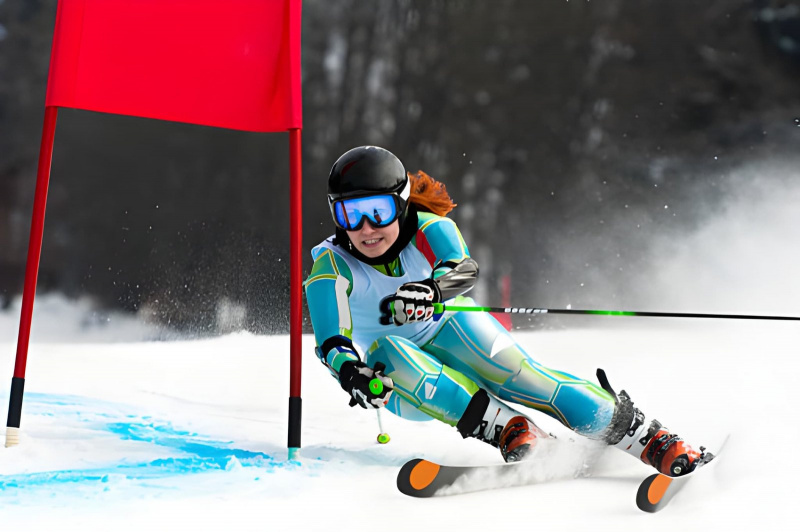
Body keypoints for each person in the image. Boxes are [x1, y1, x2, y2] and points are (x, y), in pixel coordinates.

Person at [304, 145, 706, 475]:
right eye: (349, 214)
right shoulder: (332, 265)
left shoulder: (426, 227)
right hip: (401, 380)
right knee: (389, 350)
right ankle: (511, 430)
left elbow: (462, 268)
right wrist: (351, 373)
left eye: (378, 211)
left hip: (451, 326)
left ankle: (648, 438)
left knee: (524, 378)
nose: (366, 228)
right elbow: (331, 340)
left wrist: (432, 290)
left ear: (401, 204)